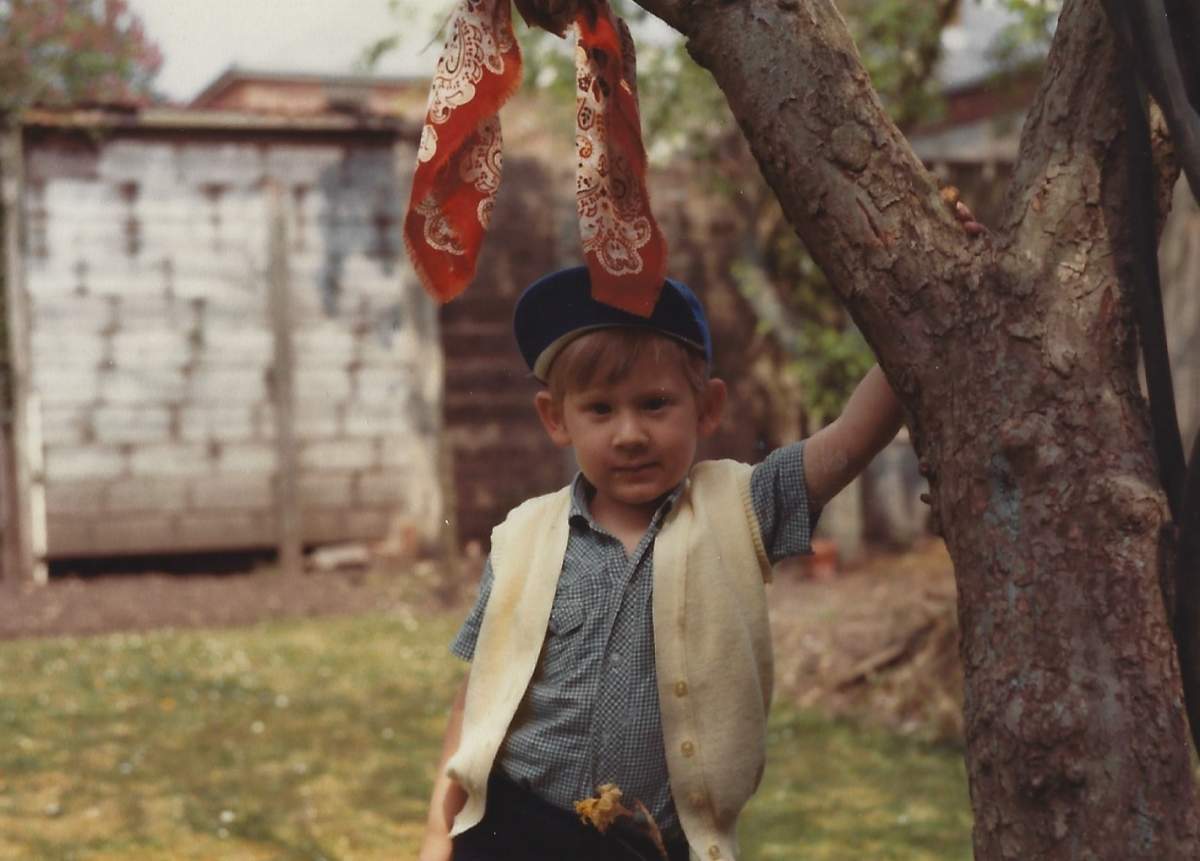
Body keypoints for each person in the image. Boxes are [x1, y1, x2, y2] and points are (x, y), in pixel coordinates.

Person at [418, 265, 904, 861]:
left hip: (654, 845)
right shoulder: (521, 536)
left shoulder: (742, 507)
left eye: (655, 404)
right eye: (600, 409)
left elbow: (854, 437)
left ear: (707, 408)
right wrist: (437, 838)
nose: (629, 434)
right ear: (555, 418)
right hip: (515, 831)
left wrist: (926, 295)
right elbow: (478, 696)